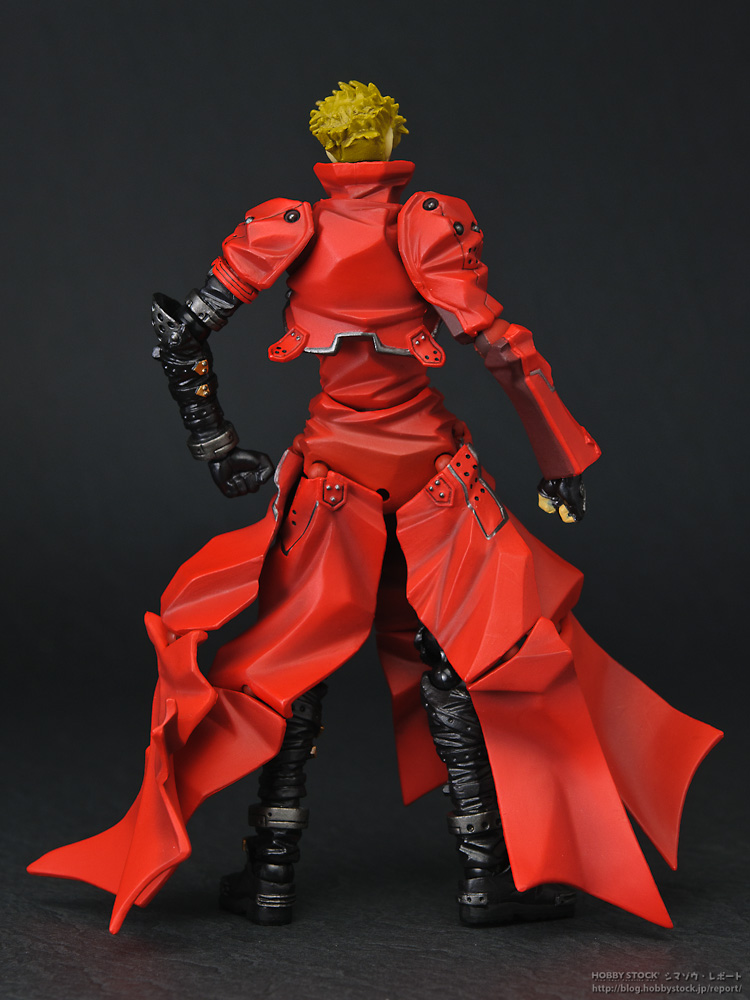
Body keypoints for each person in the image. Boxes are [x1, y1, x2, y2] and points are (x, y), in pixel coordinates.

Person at [29, 81, 721, 934]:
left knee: (290, 669)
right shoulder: (426, 224)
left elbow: (181, 334)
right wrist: (560, 459)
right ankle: (487, 875)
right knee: (474, 657)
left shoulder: (287, 228)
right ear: (391, 138)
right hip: (432, 478)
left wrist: (216, 444)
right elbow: (502, 347)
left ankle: (270, 873)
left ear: (329, 147)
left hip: (331, 478)